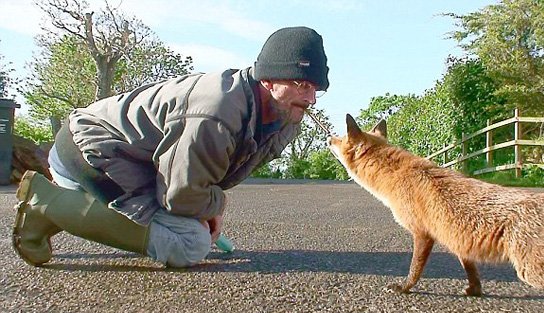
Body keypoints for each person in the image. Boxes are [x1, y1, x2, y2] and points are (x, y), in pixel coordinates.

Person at [12, 26, 329, 268]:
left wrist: (203, 204)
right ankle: (47, 203)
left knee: (192, 225)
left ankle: (61, 210)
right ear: (269, 79)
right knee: (189, 242)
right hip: (88, 154)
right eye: (301, 84)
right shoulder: (217, 111)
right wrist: (211, 206)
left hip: (136, 165)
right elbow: (180, 197)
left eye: (316, 88)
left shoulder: (284, 114)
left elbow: (195, 184)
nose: (310, 97)